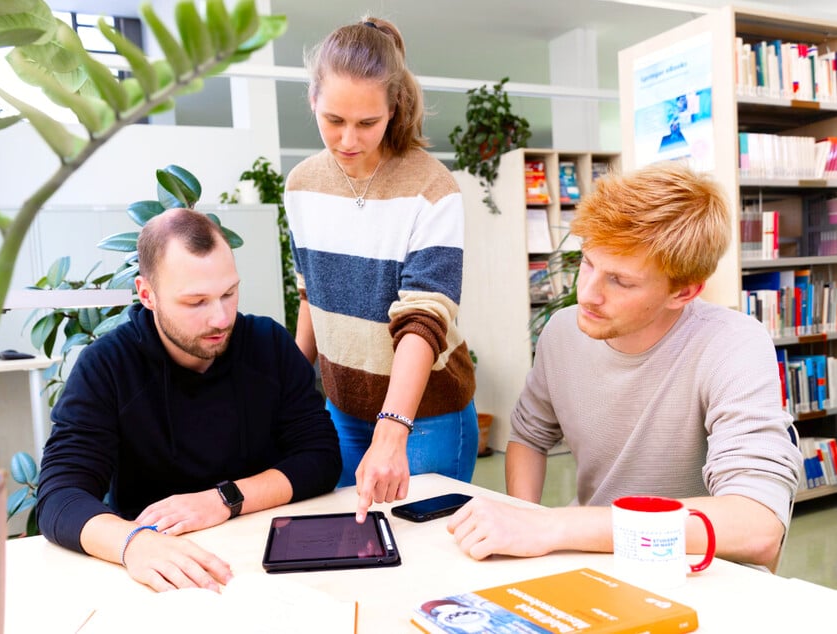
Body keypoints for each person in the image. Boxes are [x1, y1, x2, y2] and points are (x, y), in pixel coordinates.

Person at [448, 161, 802, 570]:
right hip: (597, 562)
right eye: (588, 262)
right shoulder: (563, 331)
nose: (587, 294)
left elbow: (758, 528)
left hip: (697, 576)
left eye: (621, 281)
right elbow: (529, 436)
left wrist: (554, 528)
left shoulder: (733, 344)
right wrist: (522, 521)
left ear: (683, 291)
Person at [37, 208, 342, 592]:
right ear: (147, 294)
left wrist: (223, 499)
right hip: (160, 573)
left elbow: (321, 458)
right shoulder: (108, 366)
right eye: (196, 302)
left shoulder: (268, 345)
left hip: (263, 561)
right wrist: (134, 543)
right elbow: (59, 496)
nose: (220, 318)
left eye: (229, 293)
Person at [284, 17, 477, 522]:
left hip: (426, 417)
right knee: (353, 548)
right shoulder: (301, 185)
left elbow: (424, 317)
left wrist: (394, 430)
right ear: (313, 101)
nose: (348, 139)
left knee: (420, 557)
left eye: (367, 123)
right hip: (343, 412)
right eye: (333, 120)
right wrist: (284, 389)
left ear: (393, 109)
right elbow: (311, 296)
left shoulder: (431, 186)